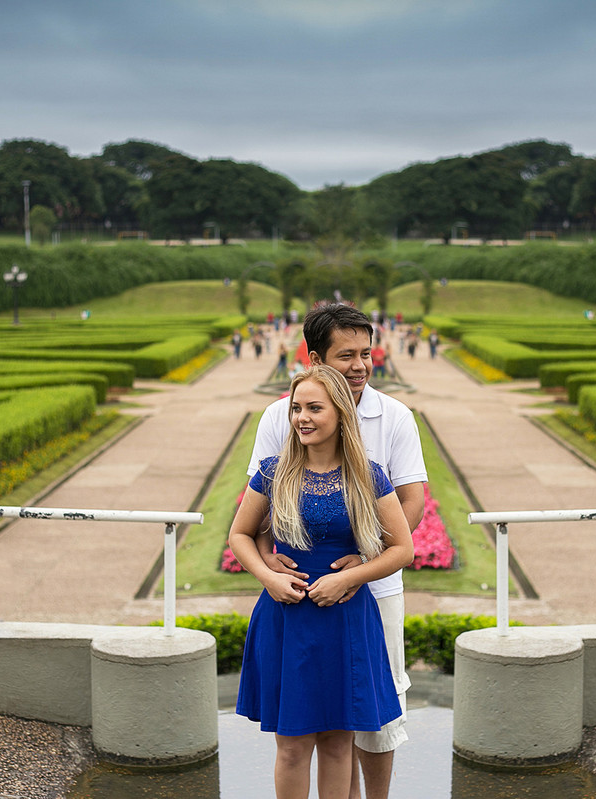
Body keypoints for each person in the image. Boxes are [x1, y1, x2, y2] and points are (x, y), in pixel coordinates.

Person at [248, 303, 427, 799]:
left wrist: (364, 563)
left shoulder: (394, 416)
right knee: (318, 727)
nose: (360, 365)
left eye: (365, 353)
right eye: (346, 355)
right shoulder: (279, 415)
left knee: (376, 715)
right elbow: (258, 509)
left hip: (374, 591)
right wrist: (268, 560)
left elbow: (411, 503)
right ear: (316, 359)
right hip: (299, 594)